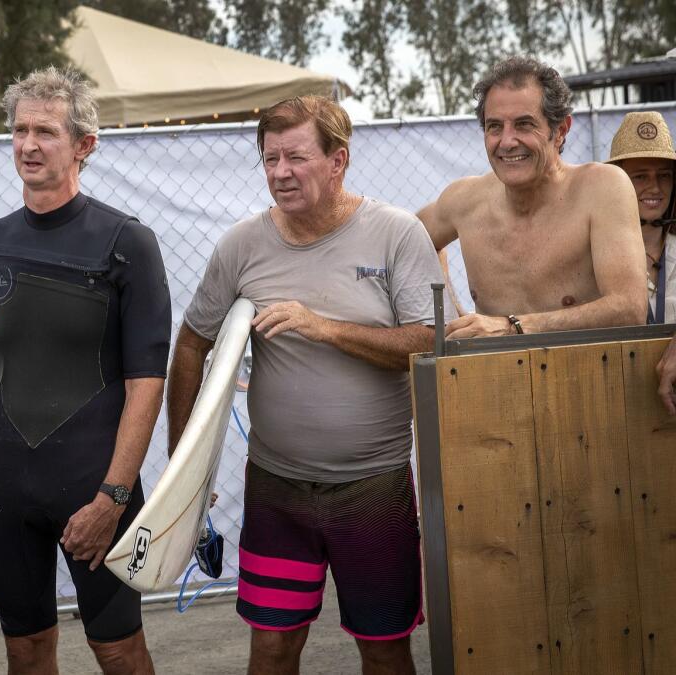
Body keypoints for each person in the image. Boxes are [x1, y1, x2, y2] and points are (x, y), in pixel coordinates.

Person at [168, 95, 445, 675]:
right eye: (269, 160)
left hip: (374, 490)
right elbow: (192, 342)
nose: (280, 173)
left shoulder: (397, 234)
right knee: (271, 646)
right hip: (277, 495)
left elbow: (426, 343)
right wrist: (182, 465)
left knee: (385, 646)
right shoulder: (242, 245)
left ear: (338, 159)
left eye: (296, 157)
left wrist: (324, 328)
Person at [0, 67, 170, 675]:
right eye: (20, 129)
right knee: (24, 649)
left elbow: (145, 384)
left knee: (117, 646)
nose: (28, 144)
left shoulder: (128, 242)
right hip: (0, 483)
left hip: (92, 483)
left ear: (84, 145)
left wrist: (114, 495)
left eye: (46, 131)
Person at [418, 55, 648, 337]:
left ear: (560, 130)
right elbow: (405, 242)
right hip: (494, 379)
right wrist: (453, 314)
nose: (507, 141)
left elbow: (630, 308)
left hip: (589, 376)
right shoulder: (463, 200)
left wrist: (513, 326)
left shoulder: (601, 189)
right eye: (494, 127)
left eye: (524, 124)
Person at [605, 110, 676, 412]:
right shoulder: (595, 255)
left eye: (664, 176)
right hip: (616, 407)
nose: (655, 188)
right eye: (639, 176)